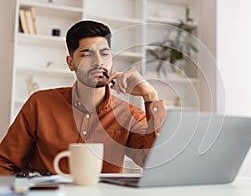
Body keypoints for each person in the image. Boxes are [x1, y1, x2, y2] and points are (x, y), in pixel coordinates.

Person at [0, 20, 166, 175]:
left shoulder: (130, 115)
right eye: (87, 54)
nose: (98, 62)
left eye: (104, 54)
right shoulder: (40, 104)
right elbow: (5, 163)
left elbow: (156, 163)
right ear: (70, 63)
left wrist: (150, 95)